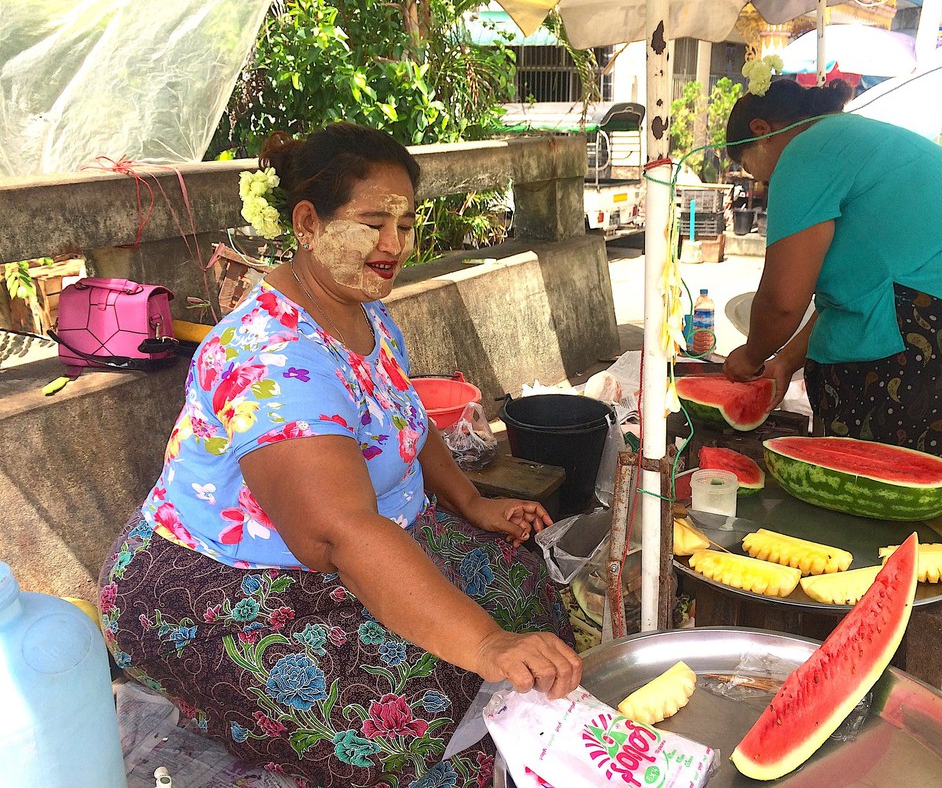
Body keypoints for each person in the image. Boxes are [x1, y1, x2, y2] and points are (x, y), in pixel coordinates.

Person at [98, 122, 581, 787]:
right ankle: (205, 695)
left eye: (406, 224)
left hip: (367, 538)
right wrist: (487, 644)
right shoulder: (270, 354)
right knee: (428, 726)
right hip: (226, 585)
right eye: (373, 221)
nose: (395, 244)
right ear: (307, 223)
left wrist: (471, 501)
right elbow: (338, 531)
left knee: (529, 596)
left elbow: (406, 419)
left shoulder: (366, 311)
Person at [720, 77, 942, 546]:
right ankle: (940, 616)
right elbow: (857, 296)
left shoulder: (803, 152)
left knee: (873, 521)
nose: (764, 184)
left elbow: (781, 304)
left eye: (755, 171)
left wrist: (750, 356)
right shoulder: (863, 140)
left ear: (762, 129)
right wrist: (783, 362)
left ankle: (871, 610)